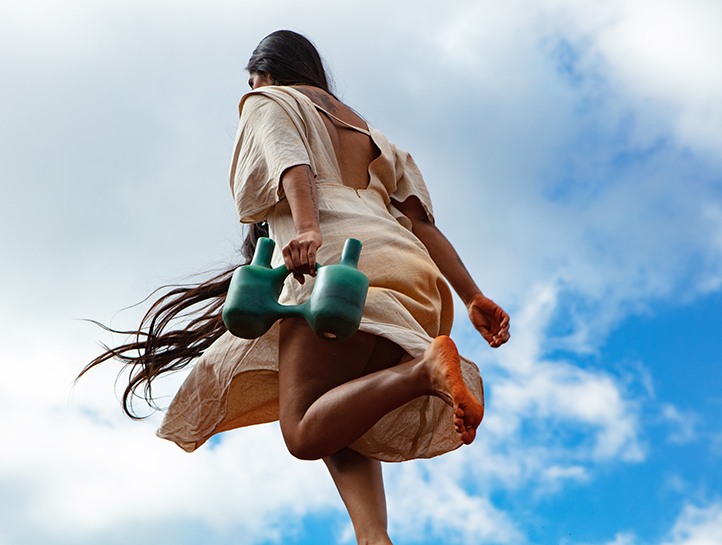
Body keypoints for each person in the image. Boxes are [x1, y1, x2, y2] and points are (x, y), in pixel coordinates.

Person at [81, 30, 510, 545]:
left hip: (335, 265)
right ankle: (373, 535)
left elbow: (291, 162)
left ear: (265, 71)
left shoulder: (268, 100)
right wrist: (473, 297)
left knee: (303, 430)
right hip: (411, 274)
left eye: (251, 77)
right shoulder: (376, 138)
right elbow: (423, 225)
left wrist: (307, 227)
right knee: (339, 404)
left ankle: (425, 372)